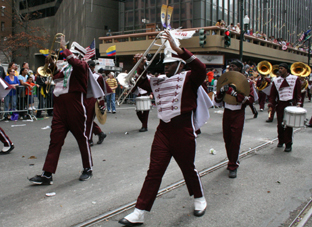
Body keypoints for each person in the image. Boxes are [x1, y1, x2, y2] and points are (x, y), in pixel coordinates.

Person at [119, 30, 209, 226]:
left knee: (188, 168)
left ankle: (199, 197)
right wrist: (140, 65)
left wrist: (179, 50)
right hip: (163, 131)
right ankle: (139, 211)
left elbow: (201, 69)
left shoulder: (190, 78)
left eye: (170, 64)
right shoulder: (159, 80)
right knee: (154, 171)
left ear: (180, 64)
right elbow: (139, 82)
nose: (166, 67)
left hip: (183, 129)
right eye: (165, 64)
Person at [28, 38, 103, 185]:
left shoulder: (83, 66)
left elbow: (76, 63)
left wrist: (64, 49)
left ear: (80, 56)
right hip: (60, 107)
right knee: (55, 140)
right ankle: (47, 174)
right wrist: (51, 65)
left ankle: (88, 168)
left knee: (83, 139)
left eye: (73, 54)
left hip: (75, 106)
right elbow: (56, 78)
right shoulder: (66, 68)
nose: (67, 56)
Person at [214, 59, 255, 179]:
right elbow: (217, 102)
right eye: (229, 66)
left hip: (238, 113)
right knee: (227, 139)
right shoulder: (224, 81)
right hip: (227, 112)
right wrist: (221, 92)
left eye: (234, 66)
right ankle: (232, 159)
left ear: (240, 69)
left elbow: (251, 100)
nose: (230, 68)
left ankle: (233, 165)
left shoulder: (248, 82)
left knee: (235, 139)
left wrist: (235, 94)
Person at [268, 63, 302, 152]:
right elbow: (273, 94)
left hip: (290, 104)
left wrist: (298, 103)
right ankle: (281, 140)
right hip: (280, 104)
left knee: (288, 125)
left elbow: (298, 92)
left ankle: (288, 143)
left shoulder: (295, 79)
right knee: (280, 124)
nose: (280, 70)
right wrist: (271, 105)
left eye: (282, 68)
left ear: (286, 70)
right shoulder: (276, 80)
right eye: (279, 68)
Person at [86, 60, 110, 146]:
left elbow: (101, 91)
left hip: (93, 100)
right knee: (86, 120)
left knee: (88, 120)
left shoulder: (97, 77)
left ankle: (89, 139)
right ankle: (100, 133)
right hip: (84, 100)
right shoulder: (84, 75)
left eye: (89, 66)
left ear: (93, 67)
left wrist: (101, 104)